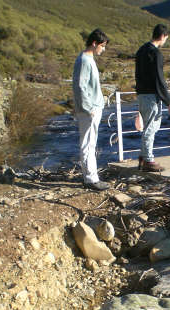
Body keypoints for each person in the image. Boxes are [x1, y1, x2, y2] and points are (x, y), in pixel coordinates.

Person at [72, 29, 109, 190]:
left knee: (90, 142)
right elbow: (80, 86)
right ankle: (90, 179)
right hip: (89, 109)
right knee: (88, 143)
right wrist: (88, 108)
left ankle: (91, 177)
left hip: (92, 107)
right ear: (94, 43)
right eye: (102, 46)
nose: (103, 49)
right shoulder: (84, 60)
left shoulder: (88, 59)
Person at [135, 24, 170, 172]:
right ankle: (148, 160)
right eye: (166, 38)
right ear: (163, 36)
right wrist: (168, 102)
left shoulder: (141, 50)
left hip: (141, 94)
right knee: (151, 127)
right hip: (151, 95)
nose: (165, 41)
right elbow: (159, 79)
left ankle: (143, 157)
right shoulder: (156, 53)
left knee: (148, 126)